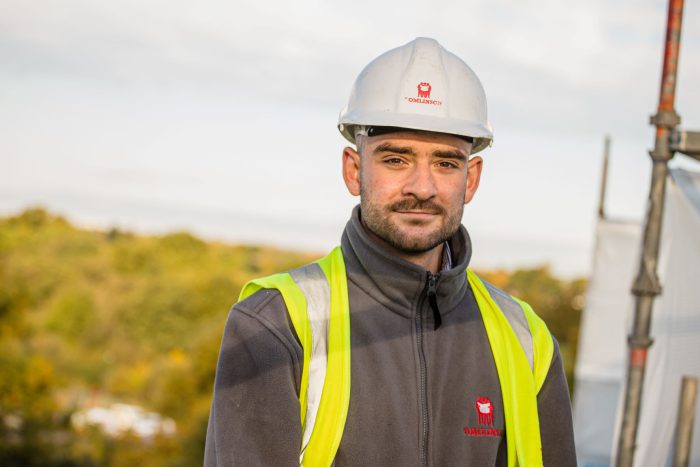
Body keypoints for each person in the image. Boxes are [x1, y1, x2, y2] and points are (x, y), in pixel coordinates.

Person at [204, 37, 576, 466]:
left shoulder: (527, 340)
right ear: (353, 169)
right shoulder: (276, 323)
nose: (422, 187)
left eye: (446, 163)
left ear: (471, 179)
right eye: (396, 159)